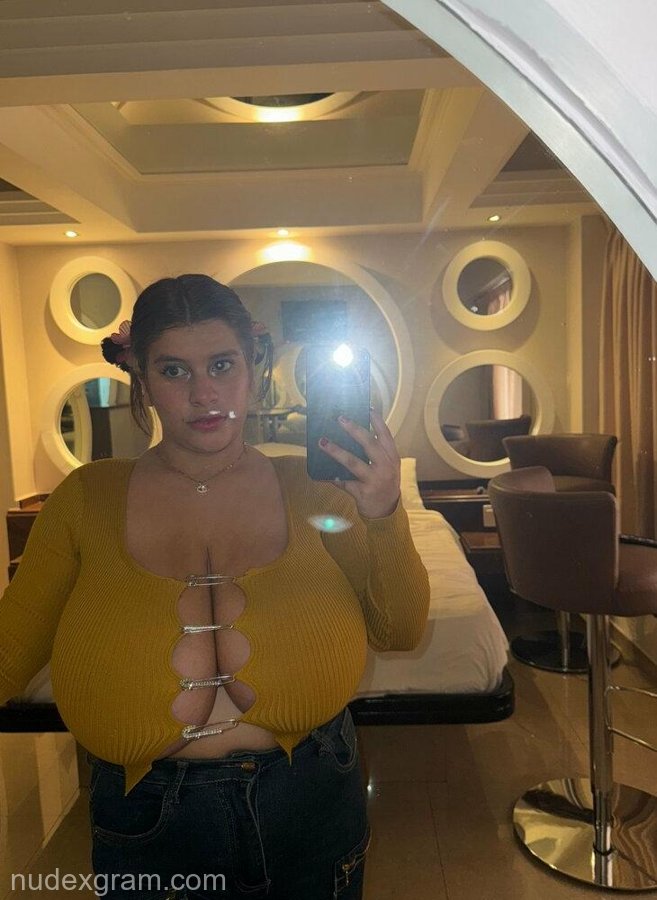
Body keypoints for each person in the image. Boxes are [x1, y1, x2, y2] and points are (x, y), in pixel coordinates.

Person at [0, 274, 430, 899]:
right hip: (149, 819)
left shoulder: (317, 487)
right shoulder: (85, 498)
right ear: (142, 378)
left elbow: (400, 629)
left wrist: (385, 511)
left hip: (310, 797)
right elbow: (8, 653)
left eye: (222, 365)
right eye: (174, 370)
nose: (204, 393)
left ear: (253, 368)